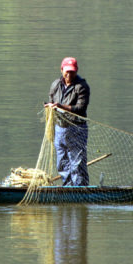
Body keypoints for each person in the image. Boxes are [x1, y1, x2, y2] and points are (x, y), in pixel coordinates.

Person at [45, 57, 90, 186]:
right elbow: (51, 101)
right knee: (62, 162)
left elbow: (80, 108)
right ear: (61, 70)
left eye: (72, 72)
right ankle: (67, 188)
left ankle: (80, 189)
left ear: (76, 71)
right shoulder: (55, 85)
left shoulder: (82, 87)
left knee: (77, 163)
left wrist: (60, 106)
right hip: (60, 129)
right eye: (67, 71)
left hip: (77, 129)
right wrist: (49, 106)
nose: (69, 74)